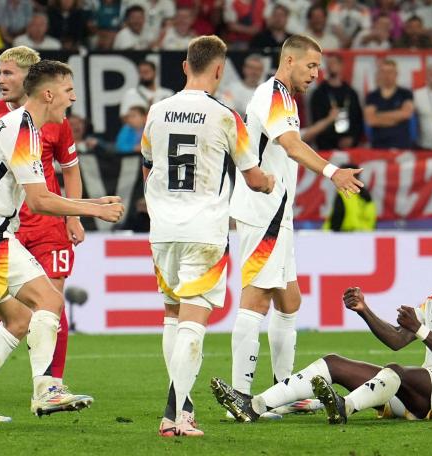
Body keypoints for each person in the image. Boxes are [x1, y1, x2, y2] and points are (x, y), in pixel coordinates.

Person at [0, 59, 124, 422]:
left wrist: (88, 205)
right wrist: (94, 209)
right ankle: (47, 389)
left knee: (16, 320)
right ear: (48, 94)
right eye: (68, 91)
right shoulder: (22, 130)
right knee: (48, 299)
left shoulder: (17, 124)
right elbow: (39, 200)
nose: (73, 99)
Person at [212, 234, 432, 425]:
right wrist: (365, 311)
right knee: (333, 364)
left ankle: (345, 406)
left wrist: (419, 331)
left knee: (396, 371)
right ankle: (254, 405)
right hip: (419, 391)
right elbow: (395, 339)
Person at [141, 35, 274, 437]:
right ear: (219, 70)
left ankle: (179, 408)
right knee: (193, 323)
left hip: (162, 230)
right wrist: (268, 181)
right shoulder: (225, 116)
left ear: (185, 67)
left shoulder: (157, 111)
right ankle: (177, 414)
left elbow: (147, 166)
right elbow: (253, 177)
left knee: (172, 315)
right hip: (204, 231)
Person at [229, 35, 363, 403]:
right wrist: (333, 171)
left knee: (290, 302)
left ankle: (285, 391)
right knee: (255, 299)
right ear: (289, 60)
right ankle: (240, 397)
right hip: (263, 212)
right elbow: (290, 144)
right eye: (310, 66)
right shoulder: (273, 93)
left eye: (318, 67)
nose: (316, 74)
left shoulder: (283, 98)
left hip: (276, 212)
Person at [309, 54, 363, 151]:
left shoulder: (351, 93)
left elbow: (358, 120)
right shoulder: (319, 94)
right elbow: (316, 122)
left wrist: (352, 138)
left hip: (350, 147)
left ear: (341, 66)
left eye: (333, 63)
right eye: (328, 64)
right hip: (326, 148)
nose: (330, 66)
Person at [364, 59, 414, 149]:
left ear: (396, 74)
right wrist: (396, 118)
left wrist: (378, 116)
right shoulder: (372, 96)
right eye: (383, 72)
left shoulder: (405, 93)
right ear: (379, 74)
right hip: (379, 145)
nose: (387, 75)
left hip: (401, 144)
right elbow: (370, 120)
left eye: (390, 72)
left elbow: (406, 114)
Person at [322, 164, 376, 231]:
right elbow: (371, 217)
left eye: (341, 174)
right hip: (364, 234)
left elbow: (338, 215)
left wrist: (333, 234)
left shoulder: (344, 193)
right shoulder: (366, 194)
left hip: (344, 233)